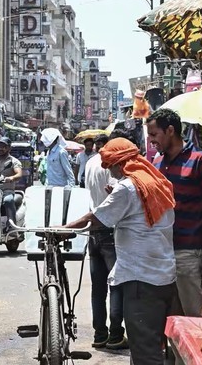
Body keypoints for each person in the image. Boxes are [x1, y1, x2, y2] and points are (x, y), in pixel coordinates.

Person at [64, 137, 177, 364]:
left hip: (140, 280)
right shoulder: (155, 181)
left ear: (120, 163)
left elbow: (96, 219)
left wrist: (62, 229)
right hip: (164, 277)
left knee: (146, 352)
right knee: (160, 347)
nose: (109, 171)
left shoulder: (127, 188)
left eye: (110, 166)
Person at [147, 108, 202, 318]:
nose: (151, 140)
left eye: (154, 134)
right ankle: (171, 353)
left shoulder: (200, 159)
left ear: (170, 130)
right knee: (170, 316)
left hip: (188, 252)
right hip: (161, 251)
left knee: (194, 316)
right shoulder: (156, 162)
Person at [83, 134, 125, 350]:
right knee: (116, 285)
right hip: (109, 228)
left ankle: (100, 334)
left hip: (94, 231)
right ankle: (116, 334)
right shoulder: (109, 164)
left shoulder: (90, 162)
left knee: (98, 288)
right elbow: (115, 193)